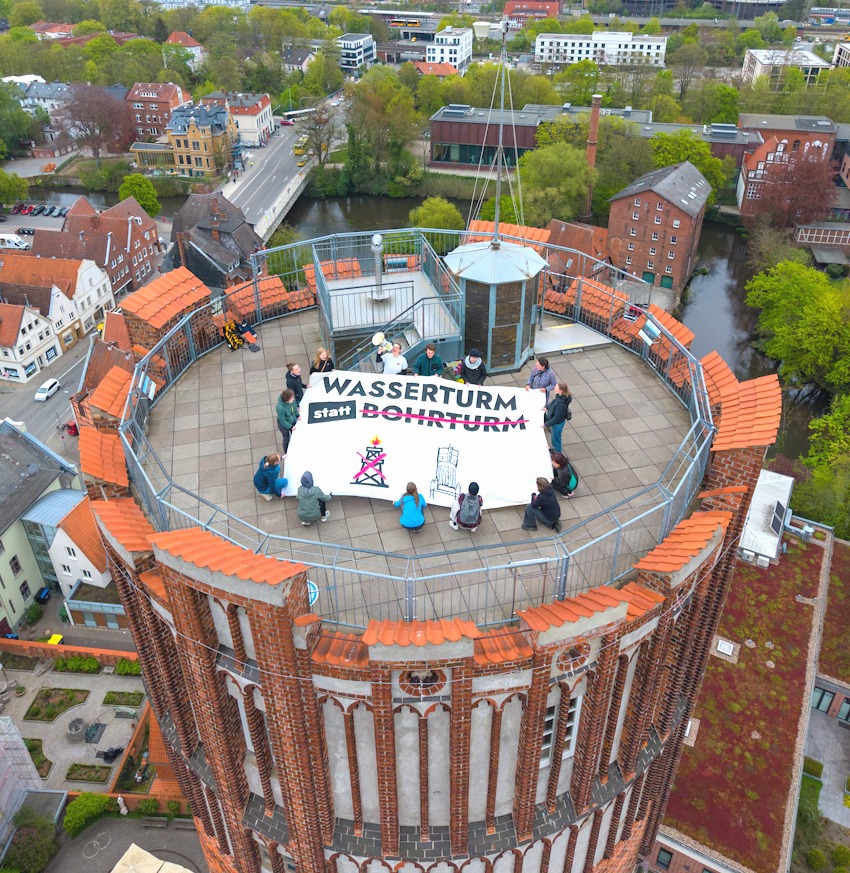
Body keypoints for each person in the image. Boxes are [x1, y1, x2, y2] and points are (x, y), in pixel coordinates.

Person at [544, 383, 572, 455]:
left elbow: (556, 418)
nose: (554, 388)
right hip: (556, 423)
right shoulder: (560, 397)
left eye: (556, 387)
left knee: (556, 441)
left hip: (557, 425)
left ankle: (558, 455)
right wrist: (546, 407)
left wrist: (546, 424)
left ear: (561, 390)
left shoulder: (561, 405)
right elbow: (553, 402)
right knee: (555, 439)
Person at [276, 388, 298, 453]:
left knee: (295, 434)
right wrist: (290, 427)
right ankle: (286, 451)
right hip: (283, 425)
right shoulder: (280, 408)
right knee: (286, 438)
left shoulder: (292, 401)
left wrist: (297, 415)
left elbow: (295, 407)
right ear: (287, 400)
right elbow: (282, 420)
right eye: (291, 399)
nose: (293, 399)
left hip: (291, 420)